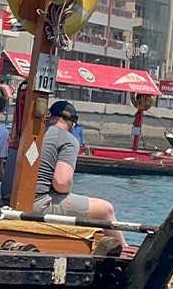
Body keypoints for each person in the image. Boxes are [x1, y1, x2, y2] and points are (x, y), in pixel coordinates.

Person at [33, 101, 124, 246]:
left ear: (49, 116)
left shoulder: (34, 133)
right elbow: (61, 183)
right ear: (73, 124)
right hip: (39, 203)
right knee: (106, 210)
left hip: (12, 198)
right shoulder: (68, 139)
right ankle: (124, 251)